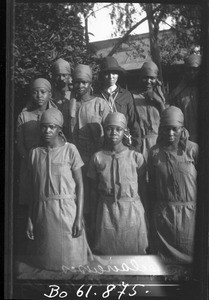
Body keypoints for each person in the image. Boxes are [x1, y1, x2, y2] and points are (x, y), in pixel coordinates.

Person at [26, 108, 88, 271]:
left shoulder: (70, 150)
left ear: (59, 128)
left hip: (68, 212)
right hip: (43, 214)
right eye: (44, 126)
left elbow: (80, 185)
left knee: (73, 264)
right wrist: (30, 219)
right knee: (47, 265)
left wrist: (78, 217)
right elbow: (33, 190)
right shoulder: (34, 153)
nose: (47, 130)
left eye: (52, 127)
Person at [87, 112, 148, 255]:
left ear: (125, 131)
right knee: (107, 253)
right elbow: (93, 191)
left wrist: (146, 215)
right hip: (106, 211)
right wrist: (93, 216)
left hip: (132, 211)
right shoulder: (97, 157)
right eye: (109, 128)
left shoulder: (135, 157)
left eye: (118, 129)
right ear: (104, 130)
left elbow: (144, 189)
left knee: (135, 251)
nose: (114, 133)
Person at [147, 106, 198, 264]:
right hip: (165, 216)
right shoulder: (155, 153)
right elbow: (152, 186)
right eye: (166, 129)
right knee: (166, 266)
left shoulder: (193, 150)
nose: (170, 134)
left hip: (191, 215)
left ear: (182, 129)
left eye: (174, 129)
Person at [70, 63, 111, 237]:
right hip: (75, 159)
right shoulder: (69, 105)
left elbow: (110, 130)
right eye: (77, 82)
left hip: (96, 157)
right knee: (78, 196)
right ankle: (82, 235)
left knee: (96, 196)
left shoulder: (100, 103)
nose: (80, 86)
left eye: (84, 82)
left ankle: (98, 234)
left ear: (90, 83)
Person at [16, 78, 57, 206]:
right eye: (35, 92)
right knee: (30, 201)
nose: (39, 95)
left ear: (49, 94)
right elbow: (19, 143)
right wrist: (29, 159)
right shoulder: (24, 116)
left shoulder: (55, 114)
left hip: (50, 163)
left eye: (43, 92)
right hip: (28, 164)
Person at [96, 56, 142, 151]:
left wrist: (136, 147)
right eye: (107, 73)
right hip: (104, 144)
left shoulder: (126, 95)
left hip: (124, 143)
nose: (111, 76)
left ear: (118, 75)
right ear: (102, 75)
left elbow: (134, 122)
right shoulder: (97, 97)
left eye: (114, 73)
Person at [132, 61, 166, 161]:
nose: (148, 81)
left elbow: (167, 120)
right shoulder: (132, 97)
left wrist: (159, 102)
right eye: (145, 77)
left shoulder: (163, 97)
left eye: (152, 78)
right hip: (140, 144)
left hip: (160, 143)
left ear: (156, 79)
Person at [169, 54, 201, 143]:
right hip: (187, 138)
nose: (192, 72)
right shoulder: (178, 93)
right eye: (189, 69)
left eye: (195, 69)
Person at [51, 58, 73, 140]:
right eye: (58, 75)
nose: (61, 78)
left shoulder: (74, 94)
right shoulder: (50, 94)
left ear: (69, 76)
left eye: (64, 75)